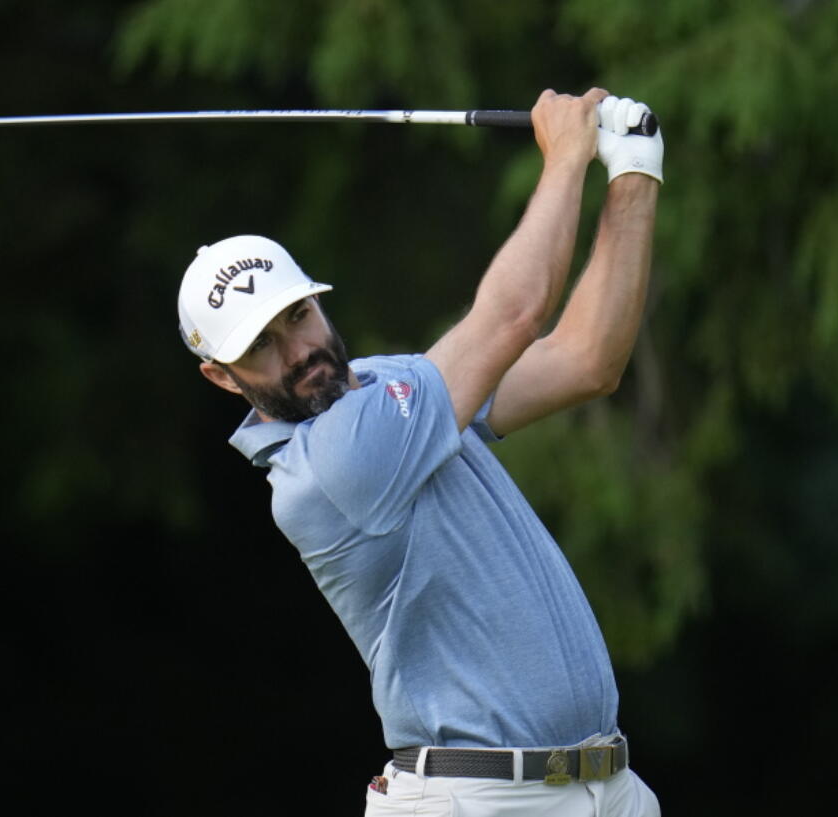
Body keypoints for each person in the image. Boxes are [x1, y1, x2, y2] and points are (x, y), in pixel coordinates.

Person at [177, 87, 663, 817]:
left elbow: (585, 358)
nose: (299, 350)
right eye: (261, 344)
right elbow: (516, 313)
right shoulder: (330, 467)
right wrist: (565, 158)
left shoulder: (388, 388)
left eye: (299, 315)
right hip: (484, 800)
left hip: (604, 787)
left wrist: (633, 172)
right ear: (221, 374)